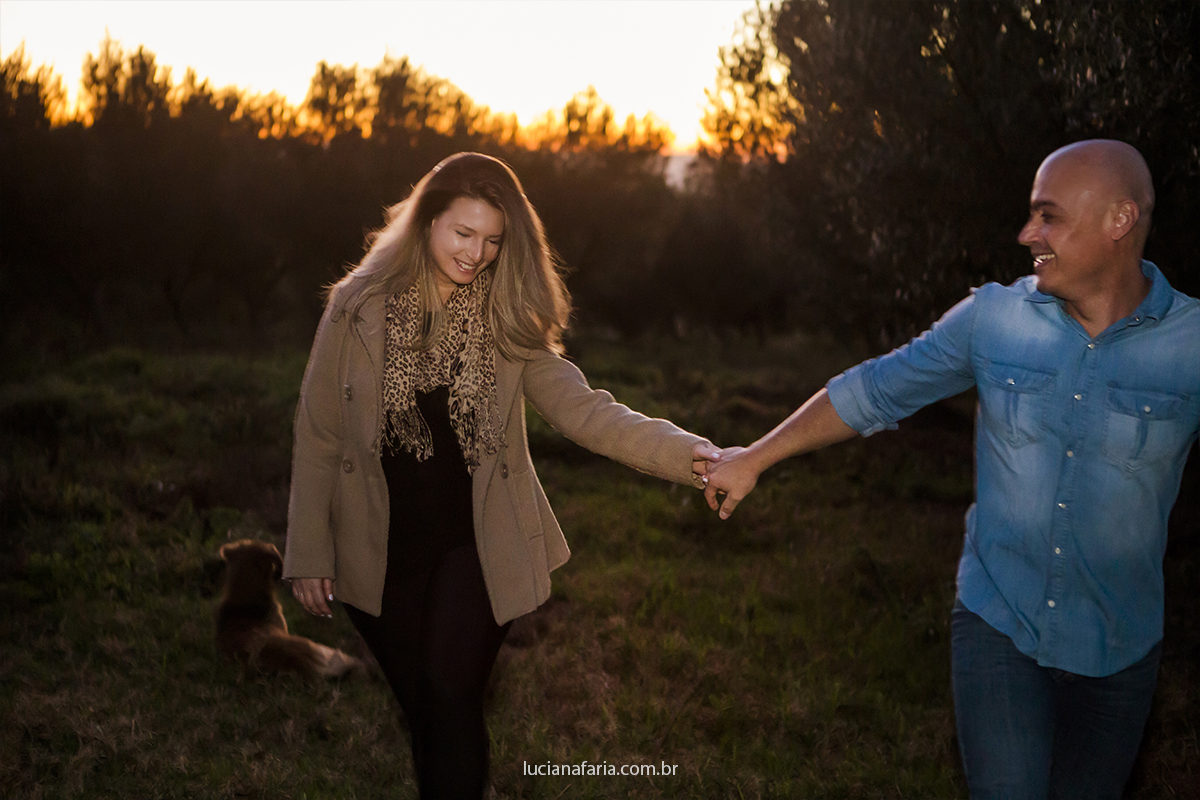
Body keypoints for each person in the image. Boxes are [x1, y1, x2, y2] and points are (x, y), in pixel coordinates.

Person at [702, 139, 1199, 799]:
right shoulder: (993, 320)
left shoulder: (1189, 346)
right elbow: (876, 388)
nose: (1027, 234)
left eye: (1048, 216)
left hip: (1119, 652)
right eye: (1030, 214)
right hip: (1001, 626)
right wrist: (755, 457)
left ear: (1119, 220)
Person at [284, 152, 719, 799]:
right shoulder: (356, 307)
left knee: (450, 692)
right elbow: (318, 433)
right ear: (427, 220)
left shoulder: (505, 321)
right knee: (427, 715)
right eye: (463, 233)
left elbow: (588, 412)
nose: (477, 254)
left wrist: (698, 457)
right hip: (377, 549)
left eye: (492, 241)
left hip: (477, 544)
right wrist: (310, 551)